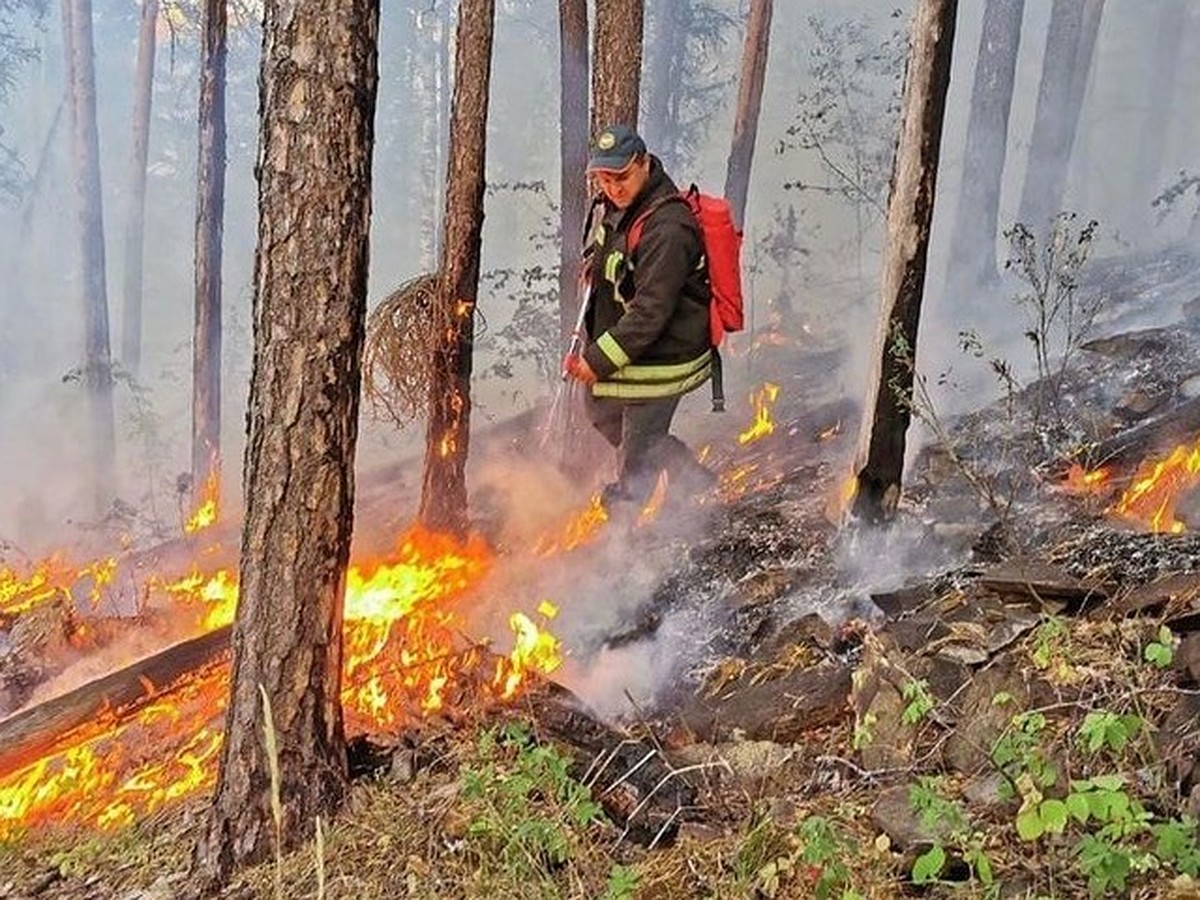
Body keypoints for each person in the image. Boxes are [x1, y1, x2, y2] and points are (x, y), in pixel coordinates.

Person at [563, 124, 717, 520]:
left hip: (665, 357)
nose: (613, 187)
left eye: (621, 177)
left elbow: (651, 312)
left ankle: (624, 536)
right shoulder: (622, 207)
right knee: (599, 409)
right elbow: (617, 256)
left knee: (637, 453)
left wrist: (596, 361)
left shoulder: (669, 228)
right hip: (638, 352)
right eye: (604, 179)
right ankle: (685, 471)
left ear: (644, 165)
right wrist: (597, 269)